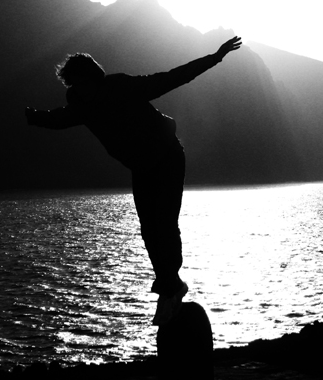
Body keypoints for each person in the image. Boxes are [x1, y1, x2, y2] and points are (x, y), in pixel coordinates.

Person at [25, 36, 242, 326]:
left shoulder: (123, 87)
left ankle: (170, 287)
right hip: (142, 166)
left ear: (92, 77)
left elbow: (172, 78)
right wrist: (32, 116)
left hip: (167, 156)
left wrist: (215, 57)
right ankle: (170, 285)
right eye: (72, 84)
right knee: (149, 230)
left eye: (80, 82)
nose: (77, 89)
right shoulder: (81, 106)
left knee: (164, 223)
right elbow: (57, 119)